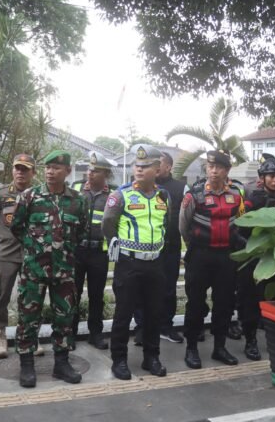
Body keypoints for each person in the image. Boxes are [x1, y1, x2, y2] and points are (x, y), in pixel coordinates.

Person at [12, 150, 88, 388]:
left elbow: (82, 232)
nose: (50, 172)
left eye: (56, 168)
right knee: (28, 317)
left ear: (67, 171)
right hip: (34, 270)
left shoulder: (78, 200)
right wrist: (34, 249)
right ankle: (26, 365)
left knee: (64, 318)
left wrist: (65, 252)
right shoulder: (29, 197)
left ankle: (61, 364)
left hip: (64, 271)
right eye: (47, 167)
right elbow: (16, 227)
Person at [102, 144, 170, 380]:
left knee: (154, 313)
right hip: (129, 264)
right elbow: (107, 225)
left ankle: (151, 357)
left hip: (155, 264)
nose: (139, 170)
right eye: (136, 166)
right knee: (124, 313)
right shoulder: (120, 195)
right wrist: (119, 247)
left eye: (145, 166)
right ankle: (119, 360)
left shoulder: (163, 196)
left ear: (157, 168)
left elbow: (166, 224)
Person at [180, 150, 245, 370]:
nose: (214, 171)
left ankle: (220, 347)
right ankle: (191, 348)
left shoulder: (236, 195)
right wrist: (195, 245)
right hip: (200, 256)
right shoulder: (194, 194)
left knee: (224, 304)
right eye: (210, 167)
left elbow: (240, 222)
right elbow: (183, 226)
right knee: (196, 304)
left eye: (218, 167)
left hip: (226, 257)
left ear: (227, 170)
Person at [132, 151, 188, 345]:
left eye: (159, 163)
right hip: (145, 249)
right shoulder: (136, 187)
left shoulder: (180, 188)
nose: (153, 166)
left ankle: (165, 326)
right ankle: (141, 327)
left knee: (168, 289)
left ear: (167, 167)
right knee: (140, 289)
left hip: (170, 248)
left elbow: (185, 217)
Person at [239, 157, 275, 360]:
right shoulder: (253, 197)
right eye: (272, 176)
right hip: (255, 256)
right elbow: (241, 224)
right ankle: (250, 341)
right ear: (262, 178)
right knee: (251, 300)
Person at [0, 153, 37, 358]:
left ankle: (28, 337)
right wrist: (5, 238)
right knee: (1, 295)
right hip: (7, 253)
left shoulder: (39, 194)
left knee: (31, 298)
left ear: (33, 173)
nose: (20, 172)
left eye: (25, 169)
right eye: (17, 168)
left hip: (32, 254)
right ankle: (0, 334)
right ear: (12, 170)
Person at [70, 151, 118, 350]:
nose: (90, 174)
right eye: (89, 170)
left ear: (105, 174)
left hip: (99, 252)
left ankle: (95, 333)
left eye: (96, 171)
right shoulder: (76, 188)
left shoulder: (114, 194)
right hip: (77, 250)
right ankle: (69, 334)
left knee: (96, 296)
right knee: (72, 294)